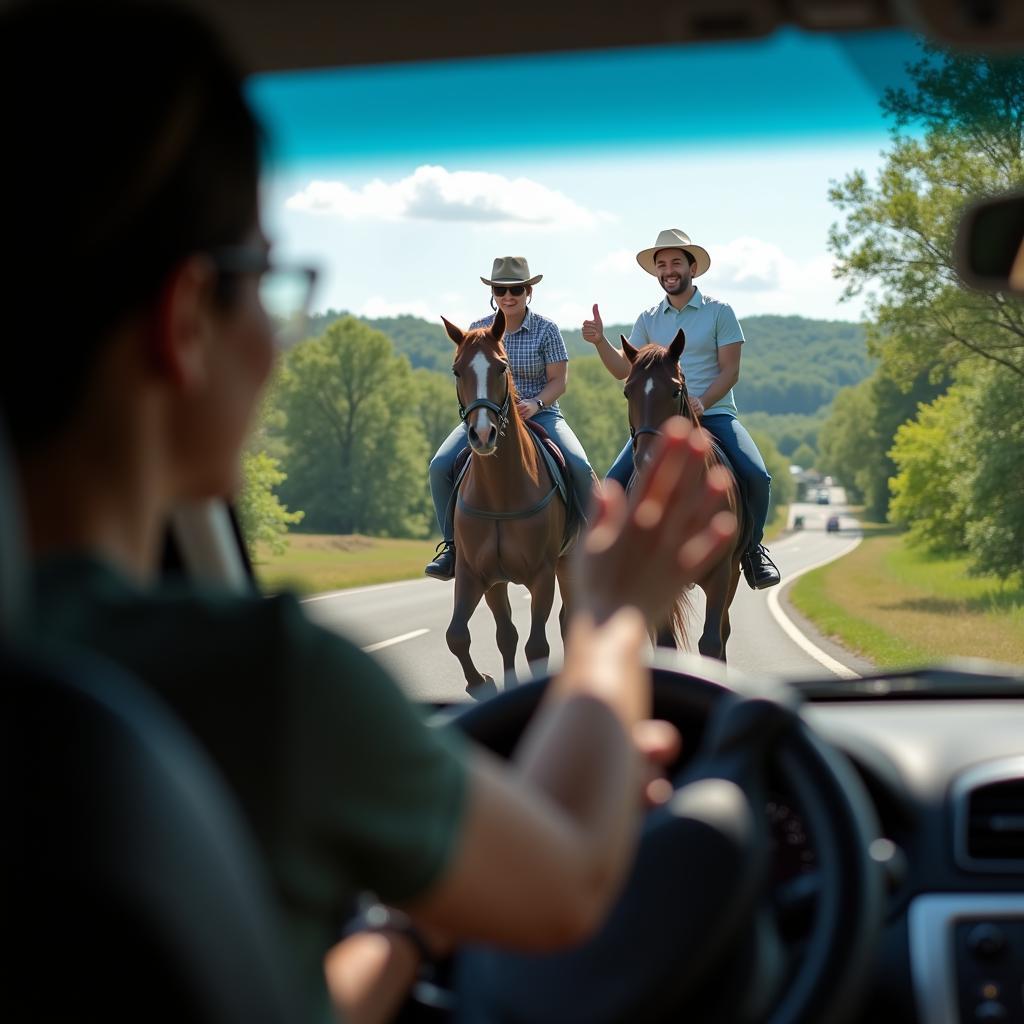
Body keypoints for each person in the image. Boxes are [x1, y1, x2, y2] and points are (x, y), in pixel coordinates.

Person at [1, 6, 736, 1024]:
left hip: (543, 422)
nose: (277, 328)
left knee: (565, 459)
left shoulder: (550, 328)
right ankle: (451, 537)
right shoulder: (266, 682)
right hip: (490, 430)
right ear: (184, 321)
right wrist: (611, 616)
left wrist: (400, 932)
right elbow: (566, 880)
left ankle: (559, 518)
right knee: (450, 462)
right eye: (271, 282)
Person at [582, 228, 782, 590]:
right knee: (612, 481)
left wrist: (703, 401)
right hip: (661, 423)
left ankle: (752, 551)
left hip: (715, 414)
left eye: (676, 262)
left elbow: (730, 370)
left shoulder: (720, 312)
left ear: (692, 267)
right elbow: (623, 371)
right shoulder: (648, 318)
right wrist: (600, 342)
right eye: (662, 264)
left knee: (757, 476)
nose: (668, 270)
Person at [425, 257, 596, 581]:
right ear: (493, 292)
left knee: (579, 465)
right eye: (501, 289)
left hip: (540, 414)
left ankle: (595, 544)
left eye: (515, 289)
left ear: (528, 291)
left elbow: (559, 380)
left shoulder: (547, 329)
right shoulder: (477, 329)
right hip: (486, 415)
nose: (508, 295)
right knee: (439, 465)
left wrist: (536, 402)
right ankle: (452, 547)